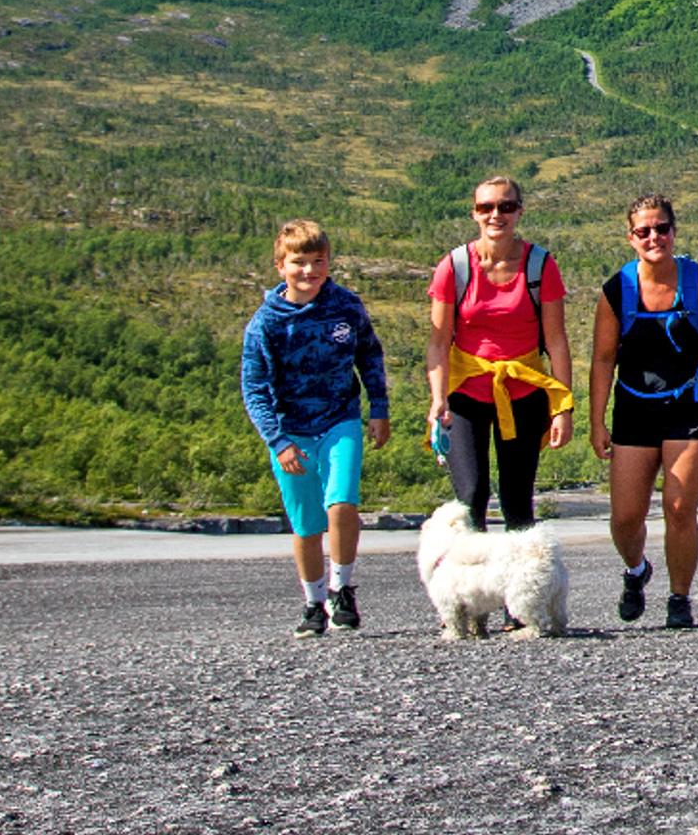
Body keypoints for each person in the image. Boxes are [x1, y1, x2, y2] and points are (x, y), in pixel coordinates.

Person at [239, 219, 392, 636]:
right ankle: (313, 601)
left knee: (342, 503)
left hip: (340, 419)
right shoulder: (266, 323)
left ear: (329, 263)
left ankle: (342, 589)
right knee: (306, 525)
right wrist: (278, 441)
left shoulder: (346, 305)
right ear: (280, 265)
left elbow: (370, 356)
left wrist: (378, 409)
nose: (309, 271)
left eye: (318, 261)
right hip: (292, 433)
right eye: (299, 262)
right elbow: (254, 388)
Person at [588, 192, 698, 629]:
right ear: (630, 238)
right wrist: (597, 420)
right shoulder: (618, 290)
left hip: (692, 407)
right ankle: (636, 570)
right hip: (635, 410)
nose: (654, 237)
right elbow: (602, 359)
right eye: (644, 231)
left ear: (674, 230)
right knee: (626, 518)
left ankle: (679, 598)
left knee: (679, 508)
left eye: (661, 228)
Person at [427, 174, 570, 531]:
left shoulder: (540, 266)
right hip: (465, 390)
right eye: (486, 207)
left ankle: (519, 584)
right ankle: (471, 582)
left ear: (519, 212)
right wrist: (437, 398)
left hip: (522, 390)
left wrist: (562, 408)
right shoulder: (455, 267)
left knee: (517, 501)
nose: (496, 215)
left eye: (506, 206)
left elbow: (556, 342)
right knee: (471, 496)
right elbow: (438, 341)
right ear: (474, 213)